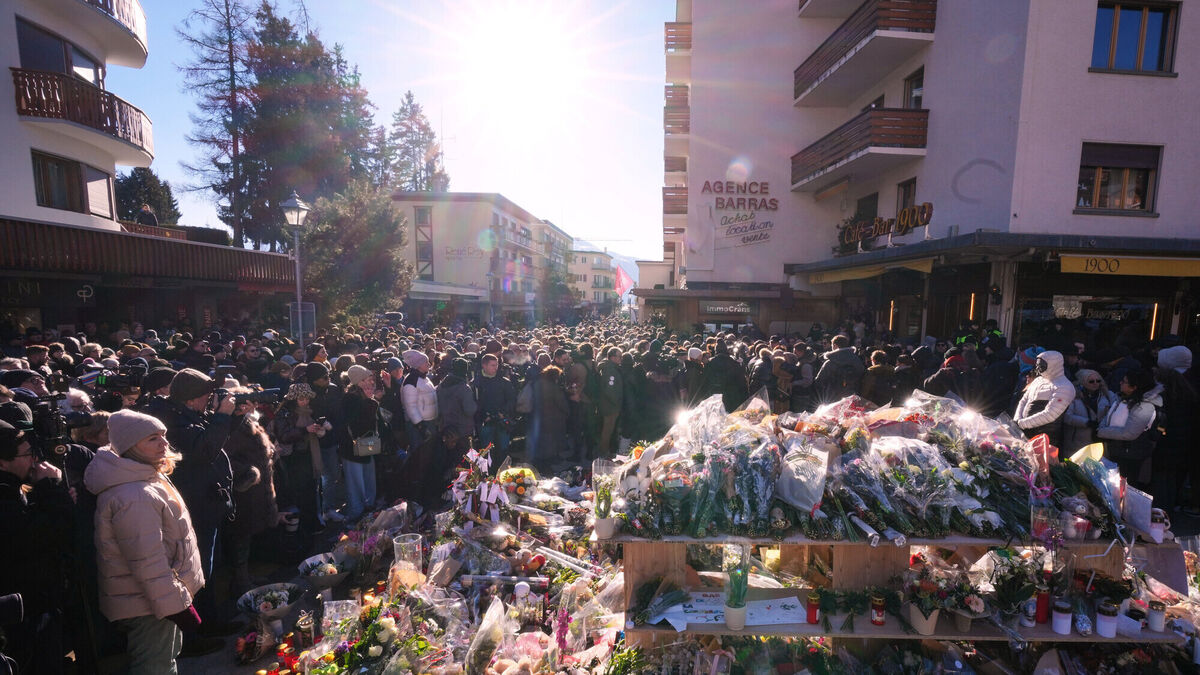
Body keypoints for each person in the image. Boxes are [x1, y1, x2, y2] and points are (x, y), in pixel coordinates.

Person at [85, 410, 204, 675]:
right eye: (152, 438)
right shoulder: (133, 494)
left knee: (165, 660)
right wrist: (175, 604)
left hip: (155, 598)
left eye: (163, 435)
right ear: (130, 445)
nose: (164, 443)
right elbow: (147, 560)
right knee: (155, 667)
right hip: (148, 603)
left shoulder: (143, 476)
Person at [0, 419, 74, 674]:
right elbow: (46, 535)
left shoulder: (9, 489)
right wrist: (51, 489)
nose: (34, 460)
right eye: (27, 454)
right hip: (22, 611)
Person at [224, 391, 281, 592]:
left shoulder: (247, 422)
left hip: (256, 491)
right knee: (240, 536)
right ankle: (240, 582)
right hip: (243, 491)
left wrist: (270, 453)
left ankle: (246, 576)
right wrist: (247, 474)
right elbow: (225, 456)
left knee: (247, 535)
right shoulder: (229, 426)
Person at [1097, 369, 1161, 487]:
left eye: (1124, 381)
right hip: (1117, 451)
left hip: (1130, 455)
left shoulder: (1145, 407)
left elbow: (1129, 433)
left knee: (1125, 487)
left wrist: (1101, 432)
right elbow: (1108, 418)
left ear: (1134, 387)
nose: (1120, 383)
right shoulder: (1122, 399)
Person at [341, 365, 385, 520]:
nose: (370, 383)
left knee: (368, 478)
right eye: (365, 379)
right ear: (357, 381)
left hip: (366, 444)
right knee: (356, 483)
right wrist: (372, 402)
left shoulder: (363, 397)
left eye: (370, 379)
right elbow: (359, 423)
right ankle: (356, 514)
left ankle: (369, 508)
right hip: (353, 447)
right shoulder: (351, 398)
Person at [1013, 351, 1075, 449]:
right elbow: (1023, 401)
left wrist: (1021, 424)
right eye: (1037, 364)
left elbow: (1050, 414)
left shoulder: (1065, 386)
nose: (1037, 368)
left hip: (1045, 439)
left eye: (1042, 365)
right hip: (1024, 434)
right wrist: (1016, 420)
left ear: (1053, 364)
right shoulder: (1038, 380)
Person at [400, 350, 439, 505]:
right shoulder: (411, 381)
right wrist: (421, 427)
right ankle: (416, 492)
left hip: (429, 422)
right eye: (425, 362)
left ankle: (426, 488)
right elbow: (411, 406)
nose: (428, 364)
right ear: (417, 365)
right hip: (419, 426)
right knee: (418, 458)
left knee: (428, 458)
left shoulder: (424, 379)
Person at [474, 353, 515, 467]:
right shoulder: (476, 382)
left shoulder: (504, 381)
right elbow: (474, 402)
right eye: (492, 365)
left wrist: (503, 413)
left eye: (496, 364)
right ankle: (487, 474)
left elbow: (511, 399)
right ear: (484, 366)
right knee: (486, 449)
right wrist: (483, 416)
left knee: (503, 448)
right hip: (485, 421)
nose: (495, 367)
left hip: (502, 420)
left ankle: (503, 470)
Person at [1062, 369, 1117, 453]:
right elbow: (1067, 416)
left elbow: (1115, 412)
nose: (1095, 383)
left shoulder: (1108, 395)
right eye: (1091, 381)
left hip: (1099, 440)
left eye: (1098, 380)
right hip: (1077, 442)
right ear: (1082, 382)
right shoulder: (1073, 396)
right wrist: (1087, 422)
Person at [531, 365, 569, 474]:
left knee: (542, 439)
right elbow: (561, 403)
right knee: (552, 440)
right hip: (553, 417)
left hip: (539, 416)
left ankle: (540, 459)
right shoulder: (553, 387)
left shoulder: (538, 383)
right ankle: (548, 461)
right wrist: (567, 412)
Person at [814, 335, 865, 402]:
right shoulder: (856, 359)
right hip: (851, 396)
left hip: (832, 397)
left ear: (835, 345)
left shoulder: (830, 362)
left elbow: (819, 381)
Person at [596, 347, 624, 456]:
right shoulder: (610, 370)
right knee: (607, 430)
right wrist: (617, 402)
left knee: (608, 430)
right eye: (619, 356)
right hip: (610, 406)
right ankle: (603, 452)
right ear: (612, 357)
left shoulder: (611, 367)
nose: (621, 359)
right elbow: (609, 389)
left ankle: (604, 450)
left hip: (610, 404)